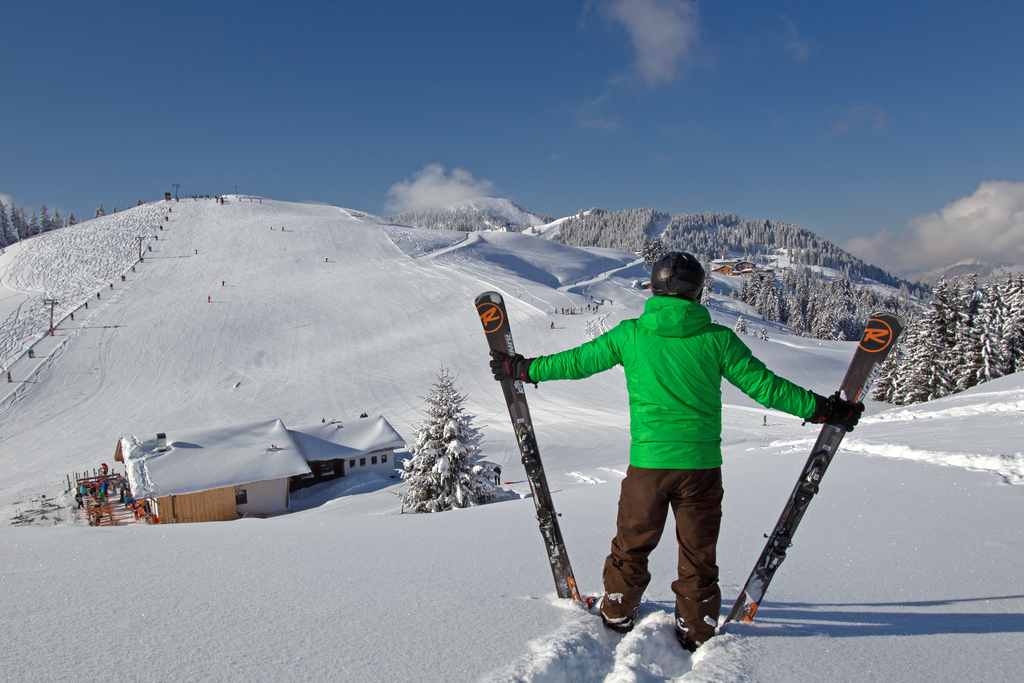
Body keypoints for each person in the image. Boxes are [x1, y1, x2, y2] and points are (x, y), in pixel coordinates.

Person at [488, 252, 863, 652]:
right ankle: (697, 626)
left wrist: (522, 369)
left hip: (648, 468)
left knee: (631, 546)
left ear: (654, 286)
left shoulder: (630, 334)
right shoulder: (718, 340)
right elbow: (767, 388)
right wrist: (826, 409)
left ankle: (617, 611)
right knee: (699, 553)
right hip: (701, 470)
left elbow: (576, 362)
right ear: (698, 291)